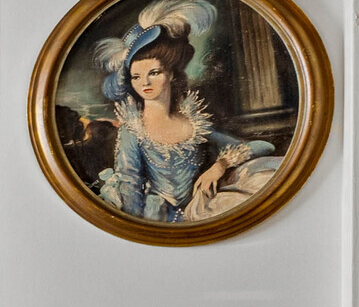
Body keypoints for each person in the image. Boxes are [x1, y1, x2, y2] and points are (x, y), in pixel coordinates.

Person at [99, 14, 271, 222]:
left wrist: (221, 164)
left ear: (170, 74)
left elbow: (262, 146)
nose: (145, 82)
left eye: (154, 72)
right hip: (159, 217)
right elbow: (131, 186)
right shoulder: (133, 130)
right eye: (136, 76)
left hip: (200, 209)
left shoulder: (194, 124)